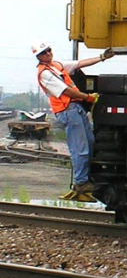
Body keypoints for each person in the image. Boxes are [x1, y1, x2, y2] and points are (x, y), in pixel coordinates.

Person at [32, 41, 114, 195]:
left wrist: (102, 57)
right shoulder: (45, 73)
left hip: (76, 109)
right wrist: (88, 97)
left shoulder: (56, 65)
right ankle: (81, 182)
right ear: (39, 57)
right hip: (67, 110)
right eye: (44, 53)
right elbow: (67, 91)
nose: (48, 53)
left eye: (49, 50)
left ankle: (85, 179)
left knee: (89, 142)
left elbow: (79, 64)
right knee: (80, 148)